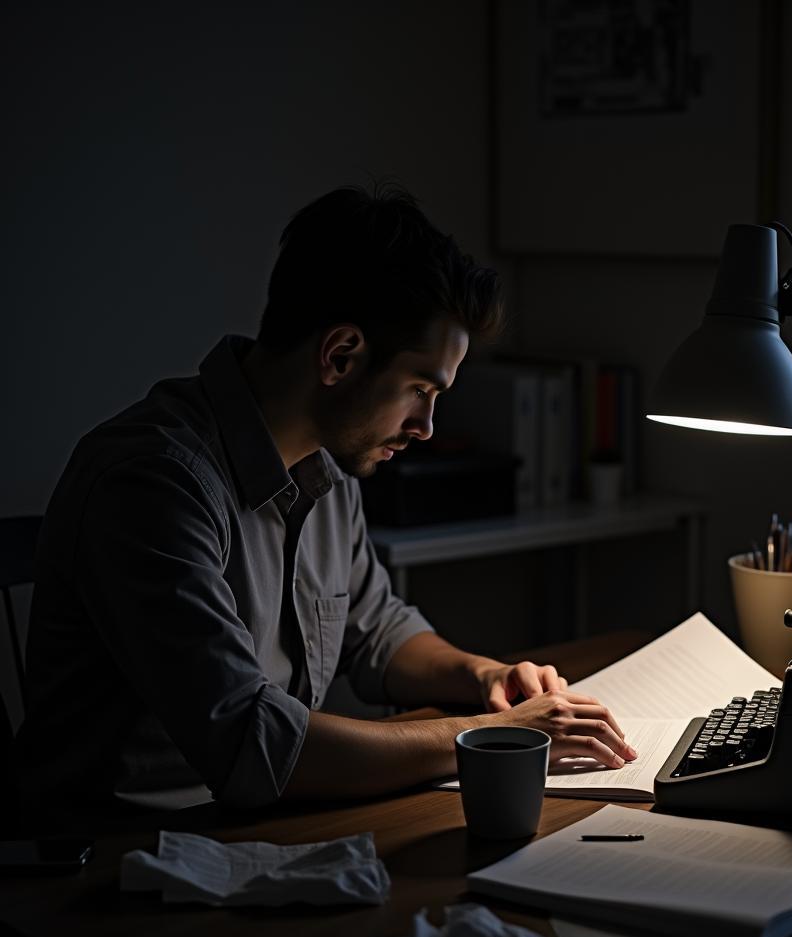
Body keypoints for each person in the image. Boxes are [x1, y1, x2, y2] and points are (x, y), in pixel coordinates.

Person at [15, 185, 636, 818]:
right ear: (340, 356)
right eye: (420, 389)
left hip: (249, 829)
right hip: (113, 861)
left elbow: (377, 632)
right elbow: (256, 744)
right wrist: (493, 738)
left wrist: (483, 677)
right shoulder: (151, 484)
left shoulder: (326, 465)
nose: (426, 426)